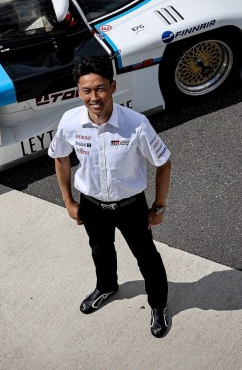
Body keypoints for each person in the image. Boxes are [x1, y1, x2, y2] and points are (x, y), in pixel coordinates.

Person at [48, 54, 173, 338]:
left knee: (147, 258)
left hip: (132, 207)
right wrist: (69, 201)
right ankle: (106, 287)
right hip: (91, 206)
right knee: (100, 251)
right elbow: (60, 157)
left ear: (113, 87)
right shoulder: (70, 121)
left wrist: (159, 207)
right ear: (78, 92)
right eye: (87, 91)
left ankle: (159, 305)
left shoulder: (136, 124)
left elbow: (163, 162)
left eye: (101, 88)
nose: (94, 97)